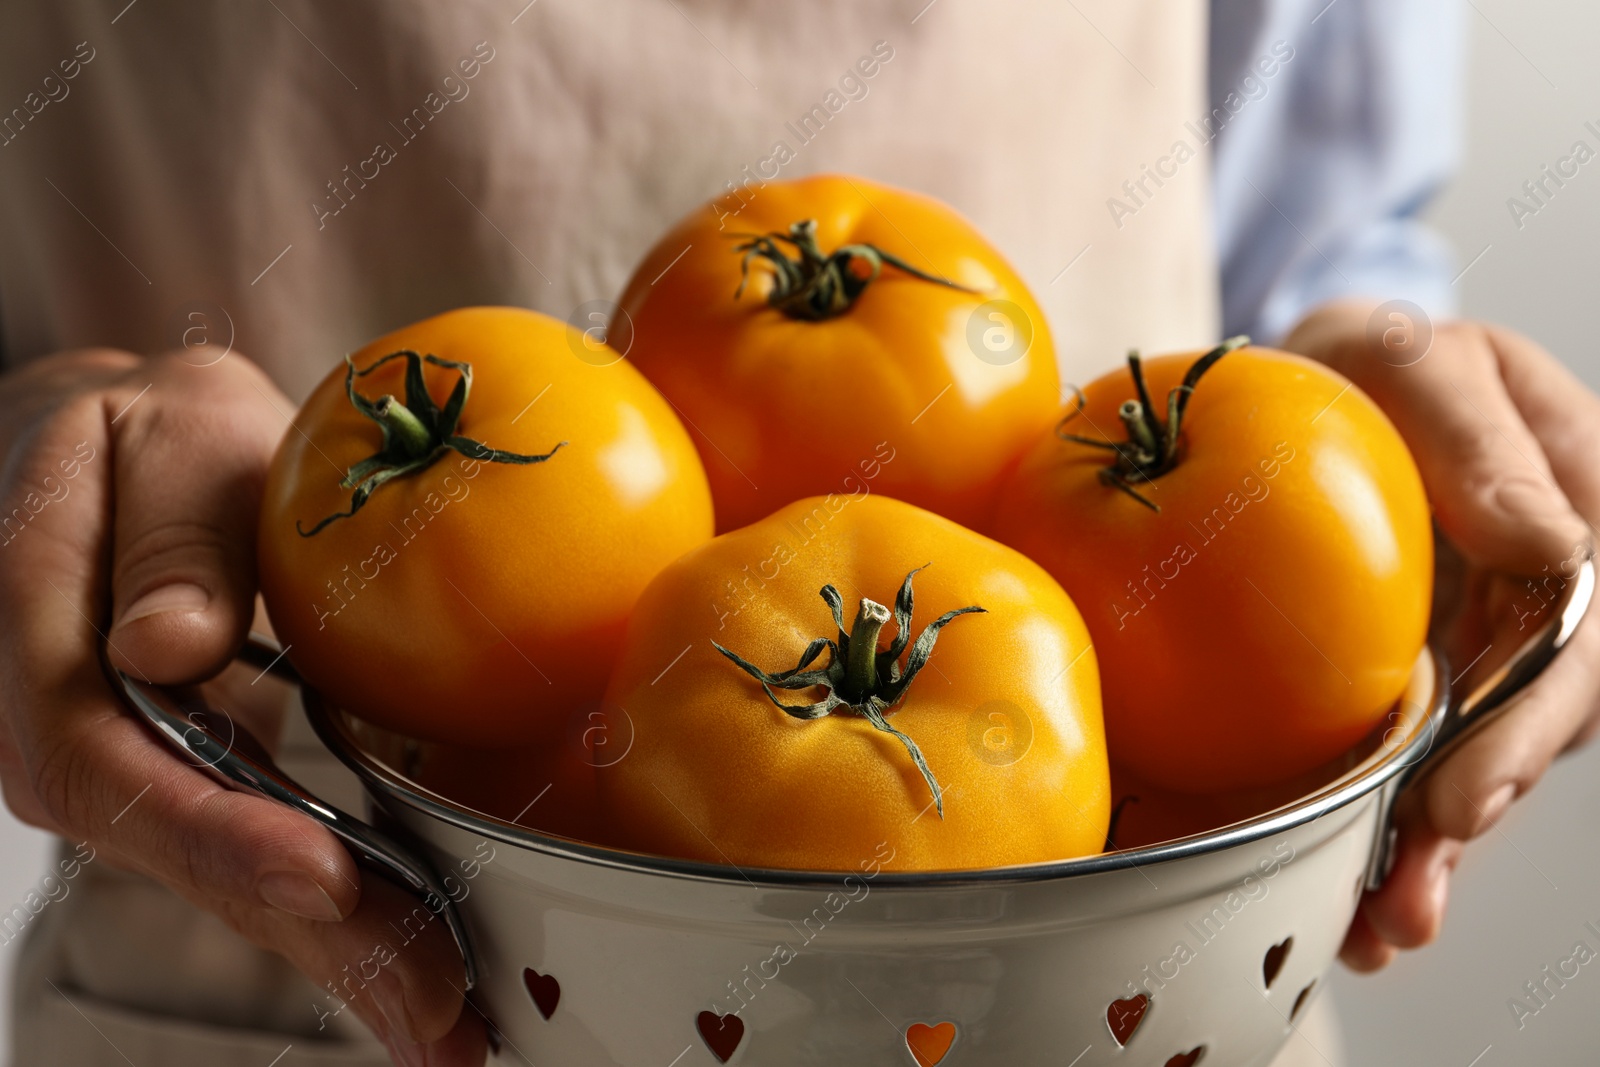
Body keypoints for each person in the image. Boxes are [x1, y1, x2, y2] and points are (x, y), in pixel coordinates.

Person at [1, 1, 1595, 1065]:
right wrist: (43, 451)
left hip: (1149, 968)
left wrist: (1407, 455)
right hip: (267, 933)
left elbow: (1316, 213)